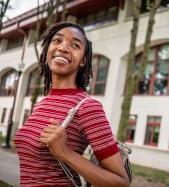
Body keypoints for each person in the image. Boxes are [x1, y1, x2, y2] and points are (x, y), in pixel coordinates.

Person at [14, 21, 130, 187]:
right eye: (57, 41)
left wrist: (65, 153)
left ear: (83, 61)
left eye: (75, 45)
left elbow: (121, 182)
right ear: (47, 50)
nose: (63, 47)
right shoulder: (41, 104)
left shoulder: (87, 107)